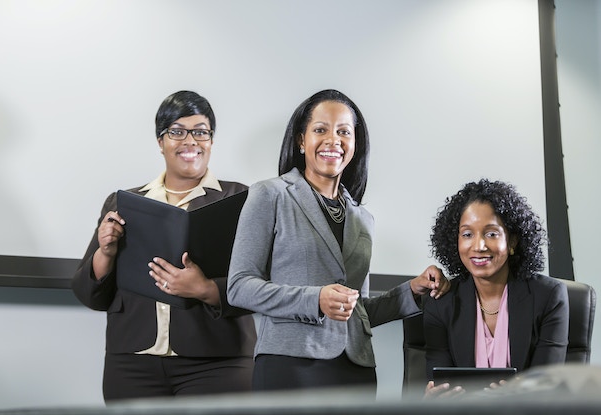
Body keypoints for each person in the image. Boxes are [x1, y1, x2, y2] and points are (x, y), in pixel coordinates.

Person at [226, 89, 450, 395]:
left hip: (355, 370)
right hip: (291, 365)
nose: (333, 140)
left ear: (355, 145)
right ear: (301, 141)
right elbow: (239, 287)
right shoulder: (270, 195)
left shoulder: (363, 218)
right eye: (321, 130)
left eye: (344, 132)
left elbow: (359, 310)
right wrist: (315, 299)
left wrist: (412, 291)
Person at [71, 90, 256, 402]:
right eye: (177, 131)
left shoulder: (241, 200)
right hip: (132, 361)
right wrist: (106, 252)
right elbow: (90, 294)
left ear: (211, 140)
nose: (190, 141)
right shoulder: (124, 203)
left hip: (216, 361)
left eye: (200, 131)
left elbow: (264, 281)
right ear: (161, 141)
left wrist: (205, 289)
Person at [423, 179, 569, 398]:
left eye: (491, 234)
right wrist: (434, 400)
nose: (479, 246)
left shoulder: (548, 296)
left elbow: (546, 387)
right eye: (467, 234)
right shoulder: (441, 303)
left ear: (512, 242)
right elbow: (439, 385)